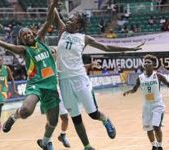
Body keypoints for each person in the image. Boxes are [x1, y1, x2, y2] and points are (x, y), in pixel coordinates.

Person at [52, 7, 144, 150]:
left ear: (78, 25)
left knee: (93, 114)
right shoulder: (62, 31)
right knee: (76, 118)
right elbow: (53, 12)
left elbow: (106, 47)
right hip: (63, 81)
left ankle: (106, 121)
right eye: (68, 19)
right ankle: (87, 146)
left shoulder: (84, 38)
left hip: (79, 78)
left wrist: (129, 49)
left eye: (72, 20)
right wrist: (52, 3)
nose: (68, 21)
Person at [0, 0, 60, 149]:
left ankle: (45, 142)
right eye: (24, 35)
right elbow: (8, 46)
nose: (28, 35)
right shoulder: (24, 50)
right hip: (36, 85)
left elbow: (49, 20)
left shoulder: (41, 40)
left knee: (53, 121)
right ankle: (13, 116)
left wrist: (53, 6)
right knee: (26, 111)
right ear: (21, 40)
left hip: (51, 86)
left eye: (29, 32)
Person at [123, 54, 167, 150]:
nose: (146, 63)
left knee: (156, 126)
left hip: (157, 104)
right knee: (148, 128)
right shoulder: (140, 78)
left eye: (149, 62)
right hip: (146, 106)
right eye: (145, 62)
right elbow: (135, 89)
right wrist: (129, 91)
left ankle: (160, 145)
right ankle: (154, 145)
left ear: (153, 64)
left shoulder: (159, 76)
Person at [0, 54, 17, 135]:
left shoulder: (6, 68)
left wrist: (14, 89)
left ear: (3, 61)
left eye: (0, 60)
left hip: (3, 91)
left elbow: (12, 79)